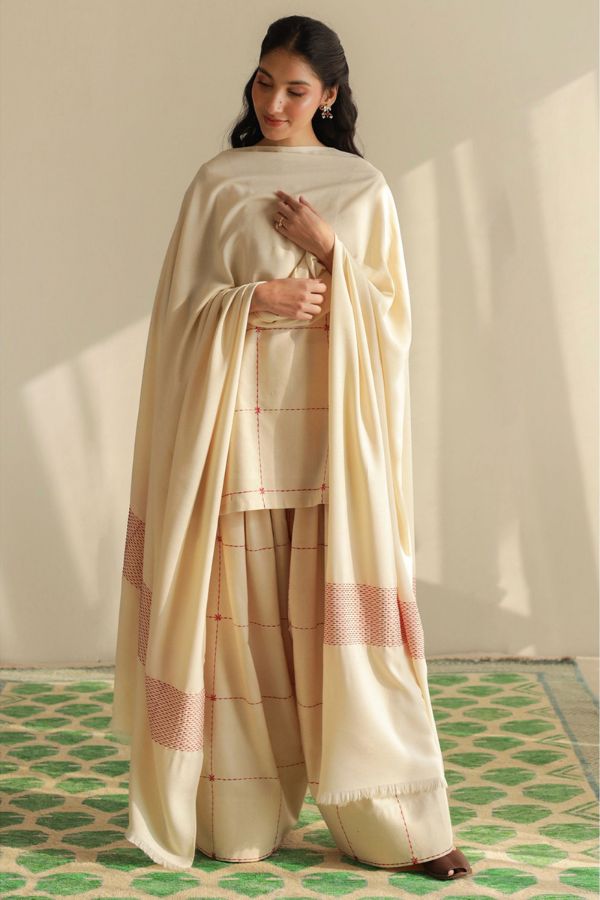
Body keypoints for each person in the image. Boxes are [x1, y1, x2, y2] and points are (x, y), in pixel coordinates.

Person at [111, 14, 472, 883]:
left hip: (328, 450)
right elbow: (176, 320)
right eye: (264, 83)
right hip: (235, 443)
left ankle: (398, 827)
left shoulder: (362, 187)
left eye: (296, 89)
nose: (274, 102)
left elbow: (394, 328)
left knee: (350, 642)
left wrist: (331, 253)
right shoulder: (217, 183)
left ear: (331, 97)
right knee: (238, 634)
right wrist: (253, 299)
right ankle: (235, 806)